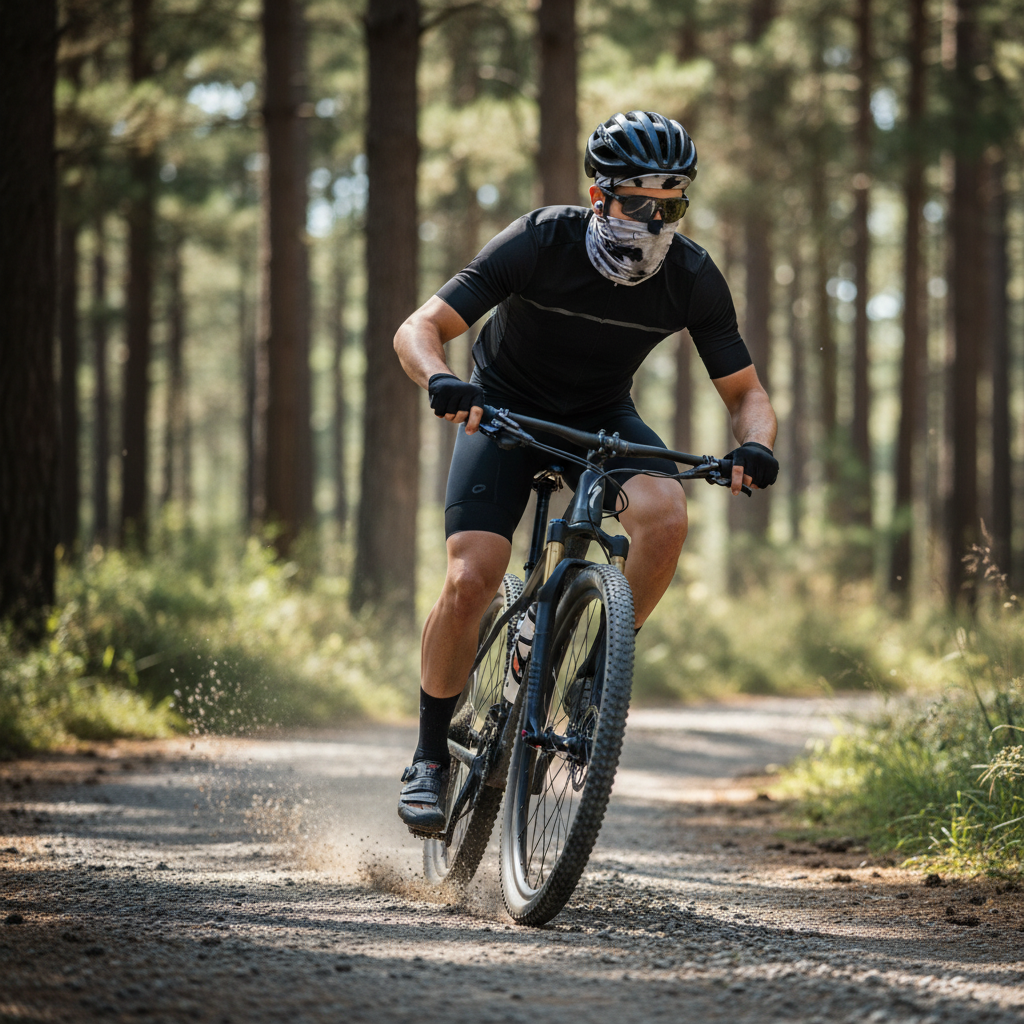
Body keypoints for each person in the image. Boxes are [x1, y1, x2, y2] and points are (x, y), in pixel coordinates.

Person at [393, 110, 779, 832]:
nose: (657, 219)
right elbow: (418, 327)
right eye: (640, 202)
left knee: (664, 512)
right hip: (503, 412)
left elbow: (746, 393)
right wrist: (443, 379)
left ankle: (597, 676)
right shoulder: (541, 239)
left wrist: (754, 444)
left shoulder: (692, 275)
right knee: (472, 575)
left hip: (600, 416)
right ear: (600, 195)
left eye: (673, 204)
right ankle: (428, 758)